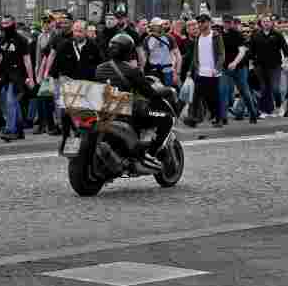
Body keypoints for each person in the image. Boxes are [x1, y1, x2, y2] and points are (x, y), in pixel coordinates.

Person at [94, 32, 180, 171]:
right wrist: (168, 90)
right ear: (128, 51)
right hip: (126, 112)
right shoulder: (132, 70)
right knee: (167, 119)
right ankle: (150, 155)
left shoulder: (99, 69)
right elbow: (150, 93)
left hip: (106, 111)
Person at [0, 15, 35, 142]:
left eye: (7, 23)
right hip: (5, 75)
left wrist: (30, 78)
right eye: (3, 23)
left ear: (13, 23)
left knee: (10, 100)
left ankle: (10, 130)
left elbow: (27, 60)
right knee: (11, 103)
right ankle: (19, 130)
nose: (4, 25)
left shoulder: (21, 40)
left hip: (19, 75)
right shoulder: (1, 40)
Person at [183, 14, 225, 128]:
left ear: (208, 22)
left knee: (213, 97)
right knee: (196, 96)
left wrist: (217, 68)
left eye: (202, 22)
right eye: (199, 22)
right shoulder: (198, 37)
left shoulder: (215, 36)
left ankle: (219, 118)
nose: (200, 24)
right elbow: (195, 56)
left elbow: (221, 54)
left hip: (213, 73)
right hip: (200, 72)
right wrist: (191, 69)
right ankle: (193, 118)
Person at [249, 16, 288, 117]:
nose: (266, 23)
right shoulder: (255, 35)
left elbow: (286, 50)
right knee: (263, 89)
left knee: (275, 88)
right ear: (261, 23)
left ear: (271, 23)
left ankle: (280, 107)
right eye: (264, 21)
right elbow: (251, 51)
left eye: (268, 21)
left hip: (275, 65)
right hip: (259, 66)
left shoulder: (277, 34)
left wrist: (285, 62)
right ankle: (264, 110)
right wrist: (251, 63)